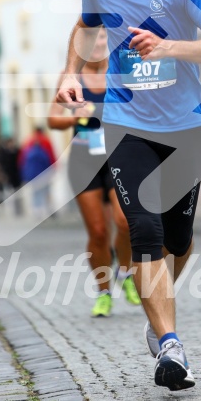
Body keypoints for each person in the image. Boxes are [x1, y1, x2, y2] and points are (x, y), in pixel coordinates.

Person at [56, 0, 201, 391]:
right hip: (125, 122)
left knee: (178, 239)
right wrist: (70, 72)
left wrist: (169, 46)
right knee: (144, 230)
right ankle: (171, 345)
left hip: (183, 127)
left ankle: (157, 313)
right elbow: (84, 27)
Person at [48, 27, 141, 316]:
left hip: (118, 155)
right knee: (98, 231)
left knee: (124, 223)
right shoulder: (70, 77)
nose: (98, 45)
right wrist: (76, 116)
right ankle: (103, 292)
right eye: (92, 40)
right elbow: (53, 119)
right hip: (84, 160)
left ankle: (125, 273)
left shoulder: (122, 72)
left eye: (103, 39)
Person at [19, 127, 57, 218]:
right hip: (45, 172)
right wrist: (54, 167)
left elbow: (22, 159)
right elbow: (51, 156)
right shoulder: (46, 141)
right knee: (47, 191)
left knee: (35, 192)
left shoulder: (28, 141)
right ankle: (49, 209)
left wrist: (23, 173)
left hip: (33, 174)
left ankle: (37, 211)